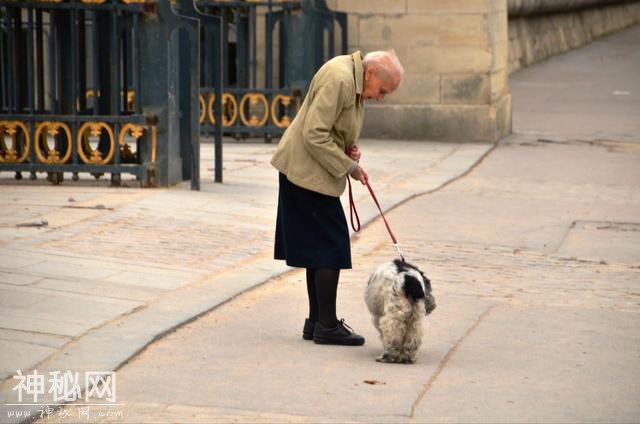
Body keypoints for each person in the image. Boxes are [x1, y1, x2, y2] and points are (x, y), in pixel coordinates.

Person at [271, 50, 404, 346]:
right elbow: (314, 134)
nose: (381, 98)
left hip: (311, 171)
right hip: (305, 173)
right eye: (382, 91)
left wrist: (347, 150)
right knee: (332, 246)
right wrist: (350, 167)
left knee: (317, 247)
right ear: (370, 74)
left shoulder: (355, 82)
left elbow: (333, 129)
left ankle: (316, 321)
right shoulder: (340, 78)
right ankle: (327, 326)